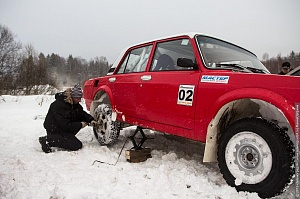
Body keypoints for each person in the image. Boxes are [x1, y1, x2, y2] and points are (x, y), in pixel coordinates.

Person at [39, 85, 95, 153]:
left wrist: (91, 120)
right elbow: (65, 125)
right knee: (76, 145)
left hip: (62, 128)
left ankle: (63, 139)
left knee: (77, 121)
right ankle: (48, 139)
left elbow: (81, 113)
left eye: (80, 98)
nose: (80, 100)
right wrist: (80, 125)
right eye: (78, 98)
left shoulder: (74, 103)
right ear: (72, 97)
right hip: (55, 130)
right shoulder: (59, 105)